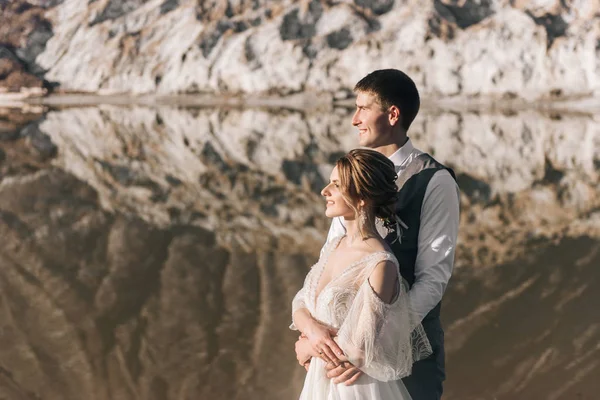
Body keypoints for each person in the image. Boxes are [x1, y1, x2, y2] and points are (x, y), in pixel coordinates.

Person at [294, 69, 460, 399]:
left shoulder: (435, 181)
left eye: (363, 108)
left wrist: (371, 344)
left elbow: (432, 279)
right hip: (338, 358)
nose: (354, 119)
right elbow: (328, 267)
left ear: (392, 114)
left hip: (406, 357)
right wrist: (312, 334)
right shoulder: (352, 177)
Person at [291, 148, 432, 399]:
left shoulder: (380, 263)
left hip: (352, 389)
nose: (325, 191)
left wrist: (308, 347)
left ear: (362, 198)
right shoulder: (336, 245)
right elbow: (301, 301)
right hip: (318, 385)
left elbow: (359, 350)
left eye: (336, 185)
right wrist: (312, 329)